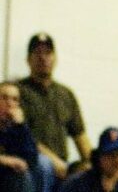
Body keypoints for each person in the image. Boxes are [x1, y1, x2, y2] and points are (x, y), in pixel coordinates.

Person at [17, 32, 92, 189]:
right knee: (44, 166)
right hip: (31, 162)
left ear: (55, 58)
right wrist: (55, 162)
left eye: (48, 53)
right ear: (28, 59)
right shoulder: (18, 92)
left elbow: (80, 136)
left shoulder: (66, 94)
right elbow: (23, 135)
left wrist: (94, 164)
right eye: (37, 53)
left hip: (62, 164)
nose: (43, 58)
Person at [0, 81, 37, 192]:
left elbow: (31, 159)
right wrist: (3, 159)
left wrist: (20, 126)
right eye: (4, 98)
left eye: (15, 99)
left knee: (22, 175)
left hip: (7, 178)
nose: (10, 103)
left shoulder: (16, 127)